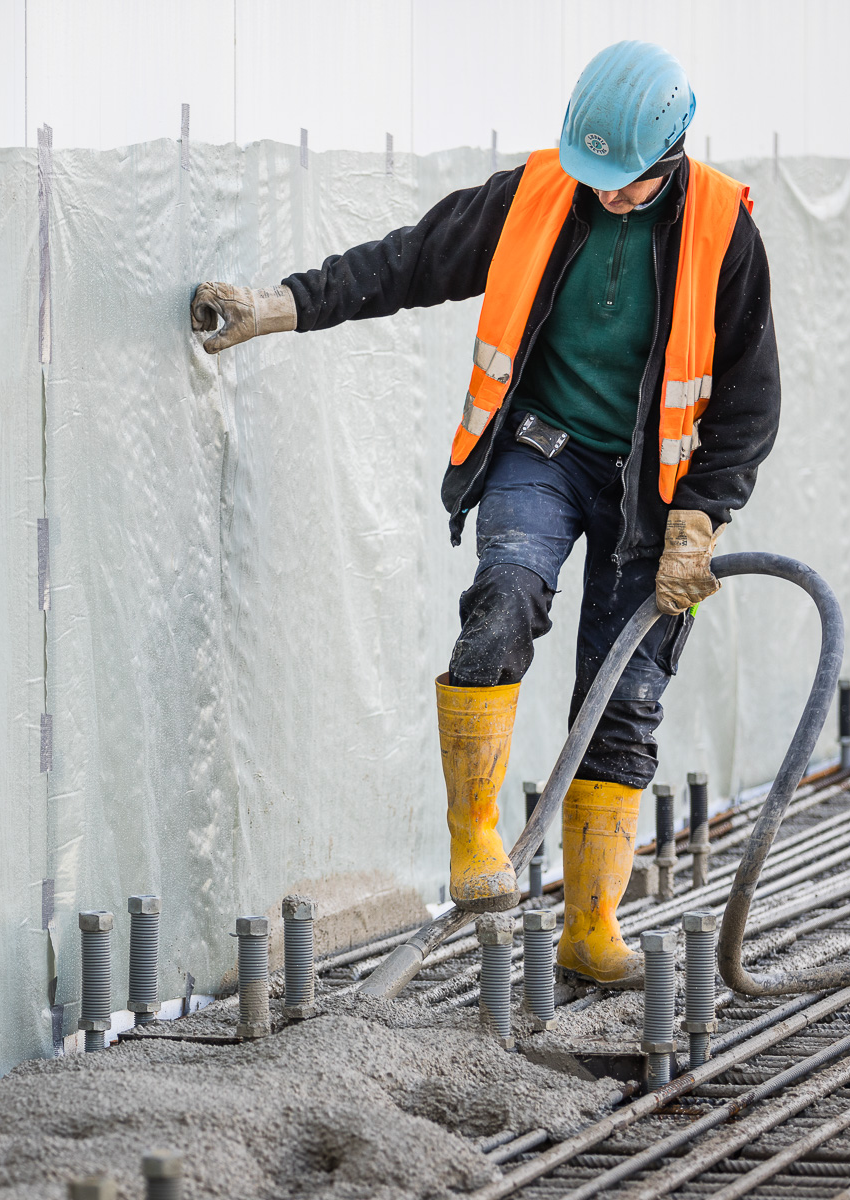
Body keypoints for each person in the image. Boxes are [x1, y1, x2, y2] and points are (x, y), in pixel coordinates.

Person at [188, 41, 779, 986]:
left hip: (655, 501)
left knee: (623, 700)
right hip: (542, 451)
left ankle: (590, 927)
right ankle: (475, 838)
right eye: (596, 178)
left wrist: (702, 518)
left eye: (623, 184)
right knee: (502, 598)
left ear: (669, 156)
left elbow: (749, 400)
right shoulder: (539, 194)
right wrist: (282, 305)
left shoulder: (722, 229)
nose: (605, 195)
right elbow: (410, 262)